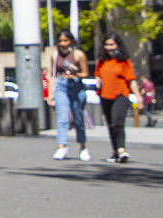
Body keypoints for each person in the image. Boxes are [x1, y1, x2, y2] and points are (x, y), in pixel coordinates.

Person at [94, 36, 138, 164]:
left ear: (118, 45)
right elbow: (97, 74)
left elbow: (131, 80)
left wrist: (138, 98)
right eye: (107, 45)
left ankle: (121, 150)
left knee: (117, 121)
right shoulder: (101, 61)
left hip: (121, 95)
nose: (109, 48)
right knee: (111, 124)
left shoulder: (124, 62)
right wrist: (97, 80)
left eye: (112, 45)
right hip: (105, 95)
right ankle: (115, 151)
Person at [51, 31, 91, 161]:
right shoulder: (55, 55)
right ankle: (62, 147)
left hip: (76, 85)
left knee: (78, 118)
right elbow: (51, 74)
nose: (63, 44)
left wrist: (76, 73)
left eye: (65, 41)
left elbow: (86, 73)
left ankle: (83, 147)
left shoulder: (79, 55)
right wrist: (50, 93)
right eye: (60, 41)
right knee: (62, 117)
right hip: (61, 86)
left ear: (71, 41)